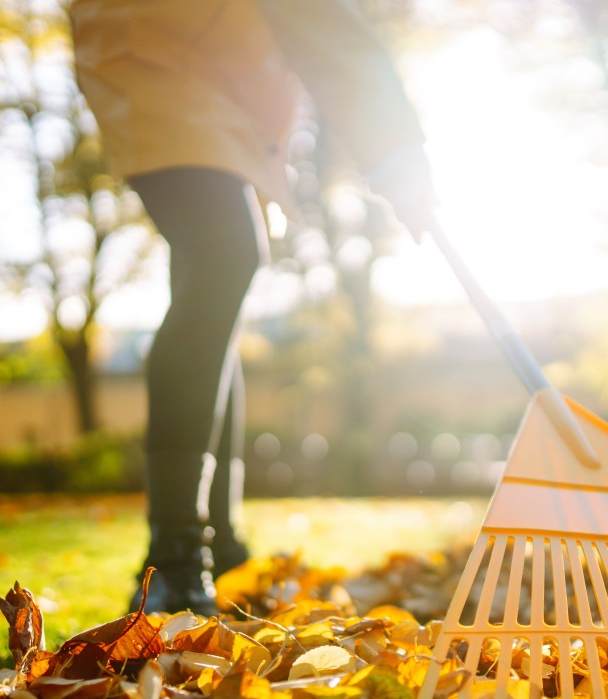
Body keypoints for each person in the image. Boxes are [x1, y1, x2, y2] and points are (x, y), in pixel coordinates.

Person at [69, 0, 435, 614]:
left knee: (215, 281)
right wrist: (396, 150)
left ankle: (222, 546)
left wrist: (396, 155)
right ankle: (176, 558)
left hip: (217, 75)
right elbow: (329, 31)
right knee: (225, 256)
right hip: (152, 46)